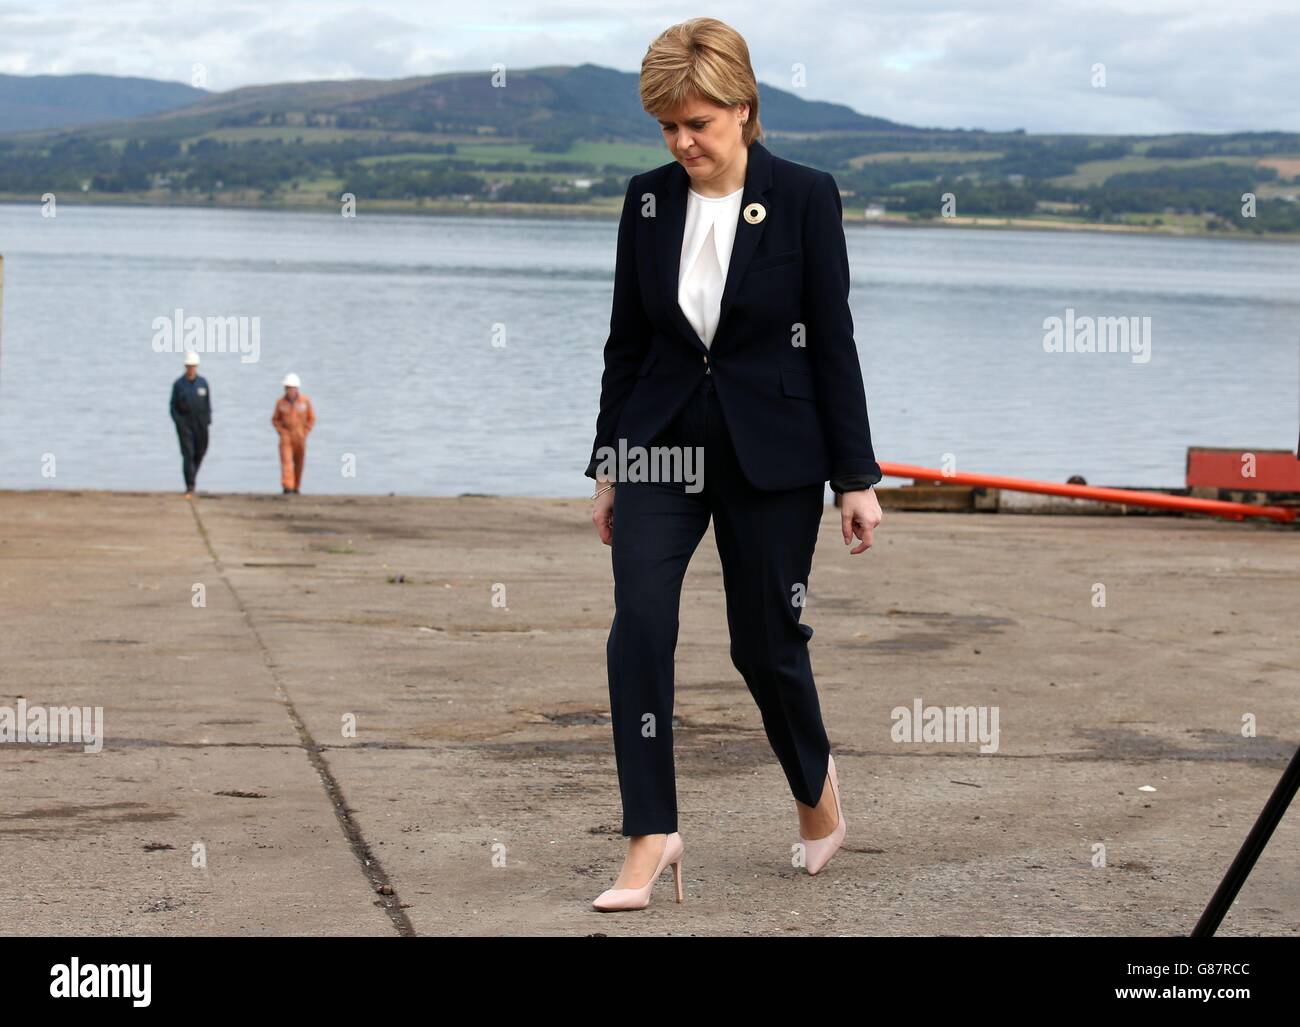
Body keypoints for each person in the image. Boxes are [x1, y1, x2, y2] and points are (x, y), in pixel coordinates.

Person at [584, 17, 885, 911]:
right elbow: (625, 344)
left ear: (743, 110)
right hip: (658, 446)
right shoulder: (645, 200)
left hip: (774, 454)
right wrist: (607, 465)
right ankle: (651, 832)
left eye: (698, 125)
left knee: (765, 646)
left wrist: (856, 479)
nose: (681, 143)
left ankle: (815, 793)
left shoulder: (803, 195)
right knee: (638, 624)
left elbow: (833, 342)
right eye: (667, 126)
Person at [170, 351, 211, 499]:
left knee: (200, 451)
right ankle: (190, 485)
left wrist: (207, 421)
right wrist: (178, 422)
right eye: (189, 366)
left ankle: (192, 476)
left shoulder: (203, 383)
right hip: (185, 424)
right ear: (185, 366)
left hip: (201, 424)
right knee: (188, 454)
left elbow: (207, 404)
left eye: (193, 366)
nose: (191, 369)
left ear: (197, 366)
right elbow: (172, 406)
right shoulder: (179, 384)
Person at [272, 373, 315, 494]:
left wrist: (305, 432)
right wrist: (281, 431)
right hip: (286, 437)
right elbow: (275, 419)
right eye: (287, 387)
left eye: (292, 387)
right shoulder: (280, 403)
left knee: (299, 463)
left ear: (297, 388)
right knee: (286, 462)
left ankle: (296, 486)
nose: (289, 390)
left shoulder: (305, 401)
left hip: (300, 437)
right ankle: (287, 486)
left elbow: (311, 419)